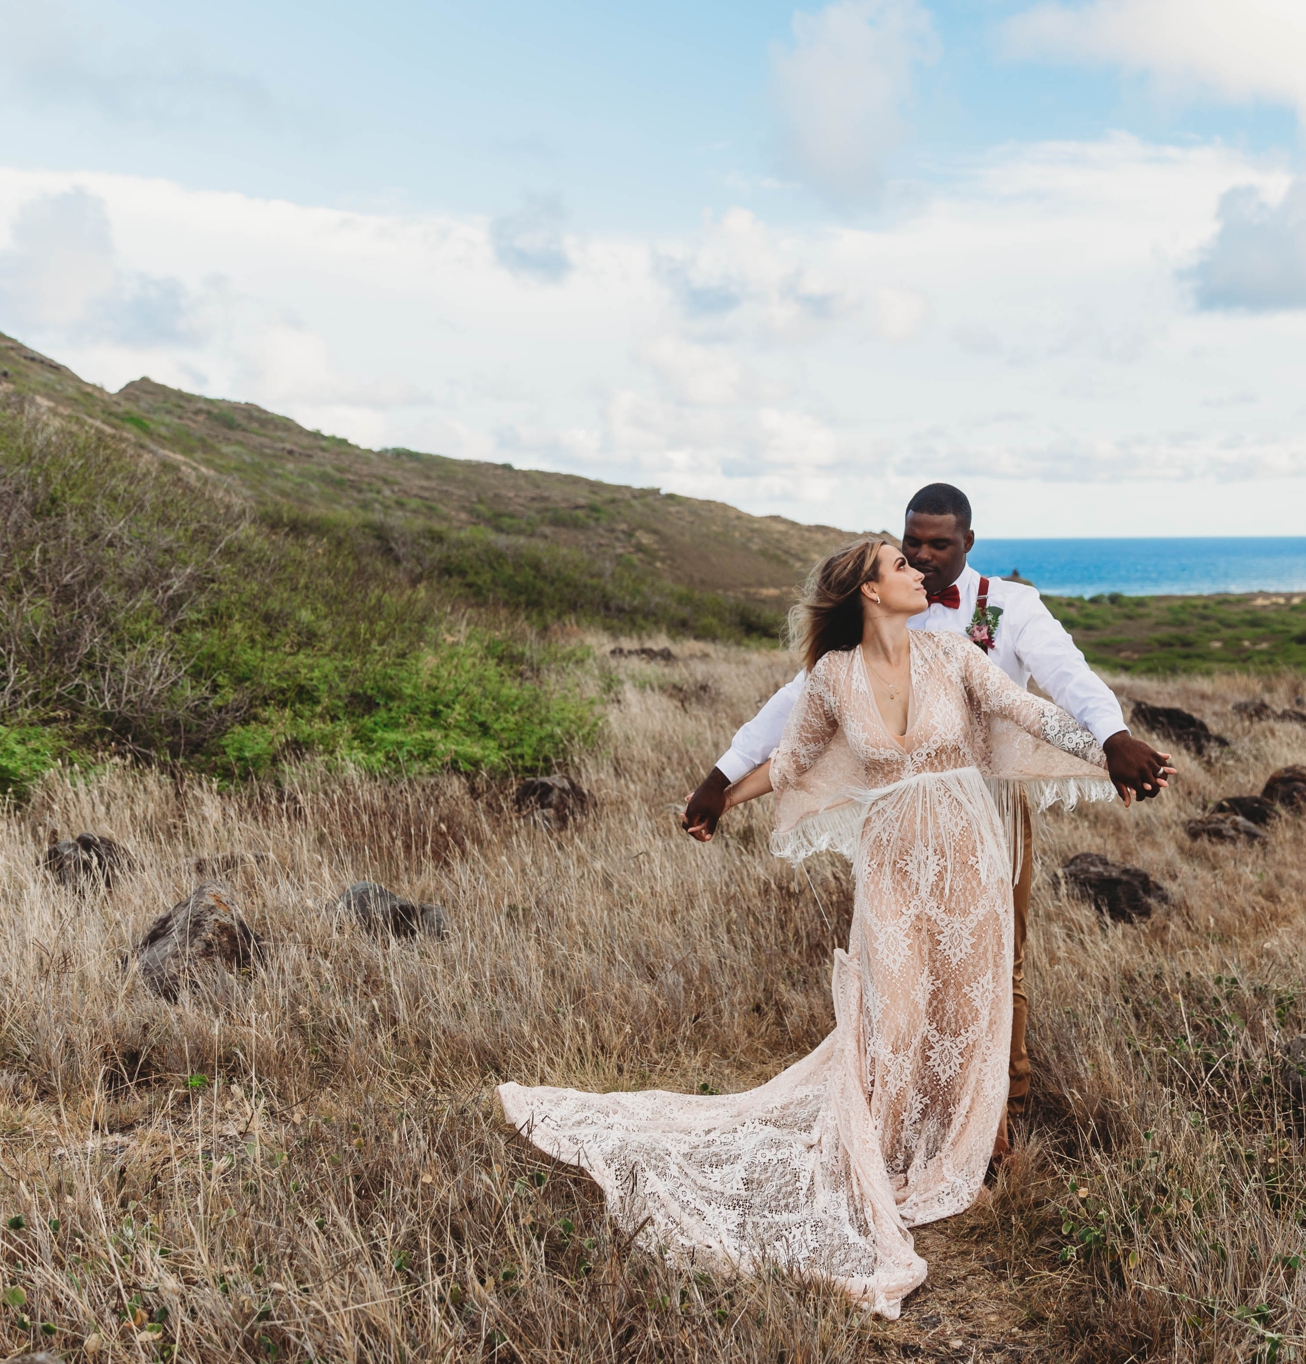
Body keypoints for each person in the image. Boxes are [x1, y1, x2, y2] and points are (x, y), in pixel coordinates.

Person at [498, 539, 1165, 1317]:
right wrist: (719, 797)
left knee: (968, 1006)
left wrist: (1112, 747)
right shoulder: (831, 678)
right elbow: (792, 761)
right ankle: (873, 1155)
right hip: (889, 864)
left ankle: (965, 1151)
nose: (920, 571)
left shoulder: (952, 654)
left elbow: (1028, 710)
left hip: (967, 858)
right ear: (870, 593)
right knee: (895, 1008)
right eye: (902, 565)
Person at [684, 483, 1172, 1120]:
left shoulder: (1007, 608)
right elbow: (792, 714)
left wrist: (1113, 740)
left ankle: (1000, 1109)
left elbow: (1063, 683)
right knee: (901, 968)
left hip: (985, 805)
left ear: (968, 541)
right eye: (910, 544)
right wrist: (723, 778)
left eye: (938, 544)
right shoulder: (852, 651)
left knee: (995, 960)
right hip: (896, 818)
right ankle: (908, 1111)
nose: (922, 557)